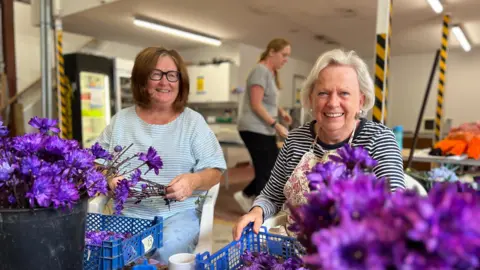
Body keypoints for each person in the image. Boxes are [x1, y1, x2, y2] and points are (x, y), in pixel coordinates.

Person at [232, 49, 406, 240]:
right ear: (311, 100)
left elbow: (394, 206)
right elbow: (271, 196)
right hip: (292, 246)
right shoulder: (296, 139)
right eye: (323, 93)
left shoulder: (378, 139)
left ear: (360, 101)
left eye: (344, 93)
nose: (332, 103)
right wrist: (257, 211)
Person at [95, 47, 226, 264]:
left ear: (180, 80)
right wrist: (109, 180)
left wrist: (193, 180)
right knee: (105, 254)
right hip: (128, 216)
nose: (165, 82)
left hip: (177, 216)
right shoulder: (121, 121)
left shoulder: (192, 122)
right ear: (142, 81)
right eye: (156, 74)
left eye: (172, 75)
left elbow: (215, 172)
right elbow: (95, 164)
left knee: (164, 254)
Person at [234, 38, 293, 213]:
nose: (285, 60)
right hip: (253, 128)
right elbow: (256, 104)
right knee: (265, 170)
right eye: (284, 55)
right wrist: (276, 124)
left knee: (273, 167)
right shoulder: (260, 71)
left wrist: (281, 111)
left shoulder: (270, 73)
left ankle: (247, 195)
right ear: (272, 52)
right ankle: (258, 208)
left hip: (263, 128)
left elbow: (267, 101)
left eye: (288, 56)